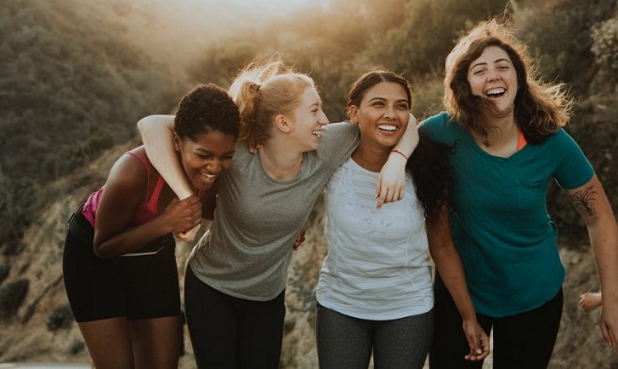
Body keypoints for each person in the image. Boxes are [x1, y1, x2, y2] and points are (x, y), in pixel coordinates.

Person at [137, 59, 418, 369]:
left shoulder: (327, 146)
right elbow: (151, 125)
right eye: (314, 111)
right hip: (211, 286)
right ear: (284, 123)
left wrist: (397, 160)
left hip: (267, 298)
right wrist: (186, 197)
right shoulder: (239, 151)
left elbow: (404, 121)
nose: (324, 119)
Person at [424, 19, 618, 368]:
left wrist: (613, 302)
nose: (494, 75)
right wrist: (394, 161)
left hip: (534, 294)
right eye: (480, 70)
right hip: (461, 292)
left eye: (503, 66)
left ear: (518, 77)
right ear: (465, 84)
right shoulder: (443, 133)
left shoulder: (550, 139)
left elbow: (600, 217)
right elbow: (393, 130)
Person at [315, 70, 489, 369]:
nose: (391, 114)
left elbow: (443, 247)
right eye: (378, 104)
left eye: (401, 106)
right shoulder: (332, 156)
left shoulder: (426, 169)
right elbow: (289, 181)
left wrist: (468, 316)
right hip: (339, 305)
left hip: (407, 309)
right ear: (354, 113)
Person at [62, 84, 240, 369]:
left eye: (225, 157)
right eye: (204, 155)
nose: (215, 167)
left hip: (151, 256)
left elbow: (228, 211)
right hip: (93, 259)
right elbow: (102, 246)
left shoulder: (214, 173)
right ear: (178, 142)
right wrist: (166, 223)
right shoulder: (132, 172)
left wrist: (286, 228)